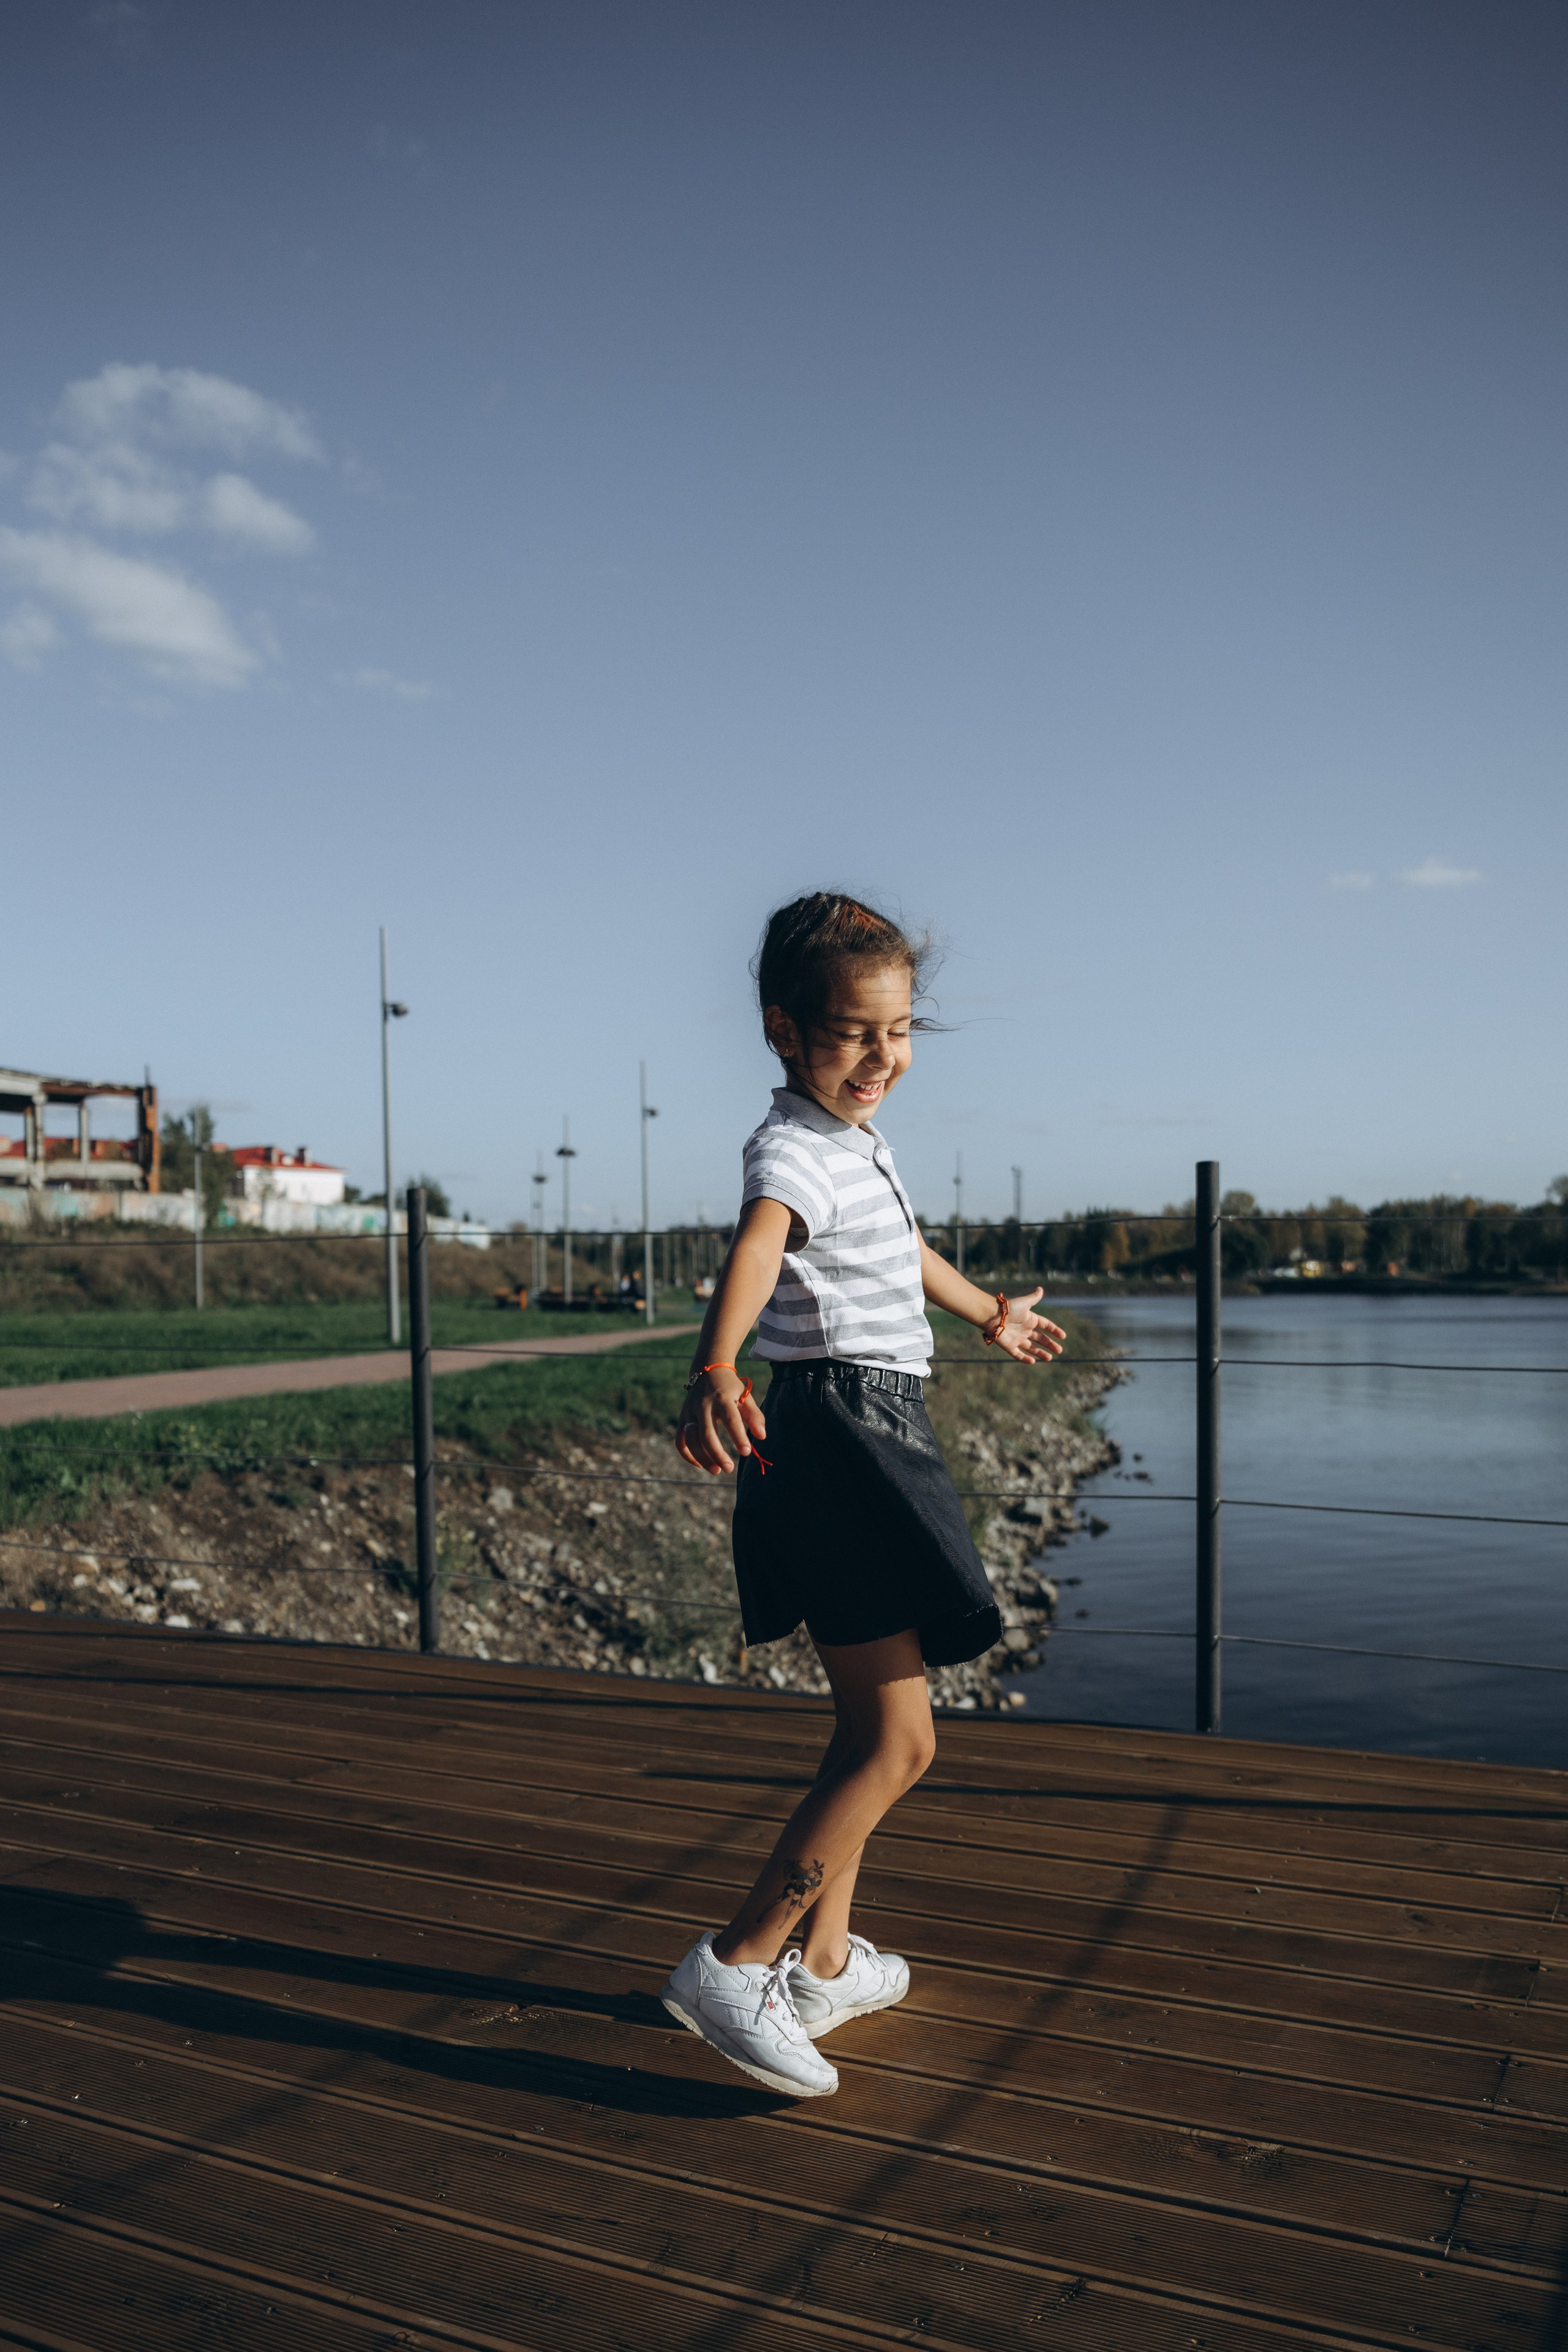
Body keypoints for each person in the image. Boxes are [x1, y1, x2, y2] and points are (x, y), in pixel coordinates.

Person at [660, 892, 1063, 2097]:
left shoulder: (855, 1143)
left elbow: (900, 1248)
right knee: (898, 1739)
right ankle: (737, 1962)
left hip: (867, 1422)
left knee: (869, 1729)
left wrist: (986, 1308)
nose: (880, 1058)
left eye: (896, 1033)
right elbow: (759, 1245)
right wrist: (714, 1363)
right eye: (849, 1034)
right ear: (785, 1032)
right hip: (839, 1430)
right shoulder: (791, 1146)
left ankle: (825, 1962)